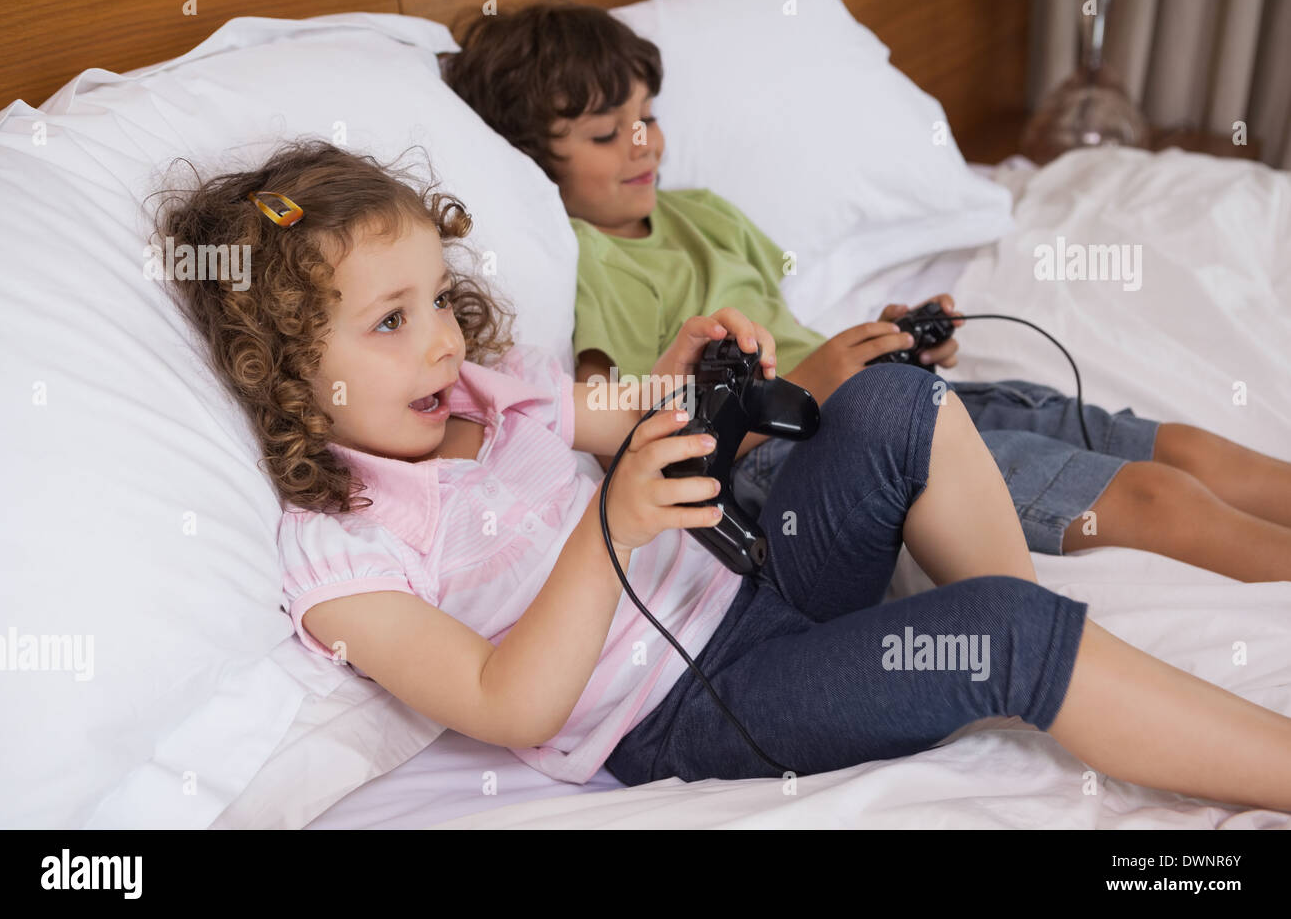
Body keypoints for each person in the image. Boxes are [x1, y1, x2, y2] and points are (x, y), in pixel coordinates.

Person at [151, 138, 1291, 810]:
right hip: (696, 709)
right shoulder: (343, 550)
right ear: (288, 372)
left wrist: (689, 372)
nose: (444, 340)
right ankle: (1025, 652)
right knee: (991, 631)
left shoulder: (496, 394)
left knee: (891, 398)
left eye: (440, 299)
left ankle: (1026, 653)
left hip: (759, 584)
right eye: (390, 322)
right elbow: (512, 702)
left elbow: (641, 404)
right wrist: (612, 527)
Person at [441, 0, 1291, 584]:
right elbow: (639, 432)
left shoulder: (703, 213)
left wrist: (886, 337)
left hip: (896, 391)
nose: (642, 145)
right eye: (604, 133)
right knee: (1154, 497)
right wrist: (821, 383)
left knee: (1182, 450)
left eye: (647, 116)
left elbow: (796, 331)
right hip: (810, 444)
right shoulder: (590, 265)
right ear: (529, 159)